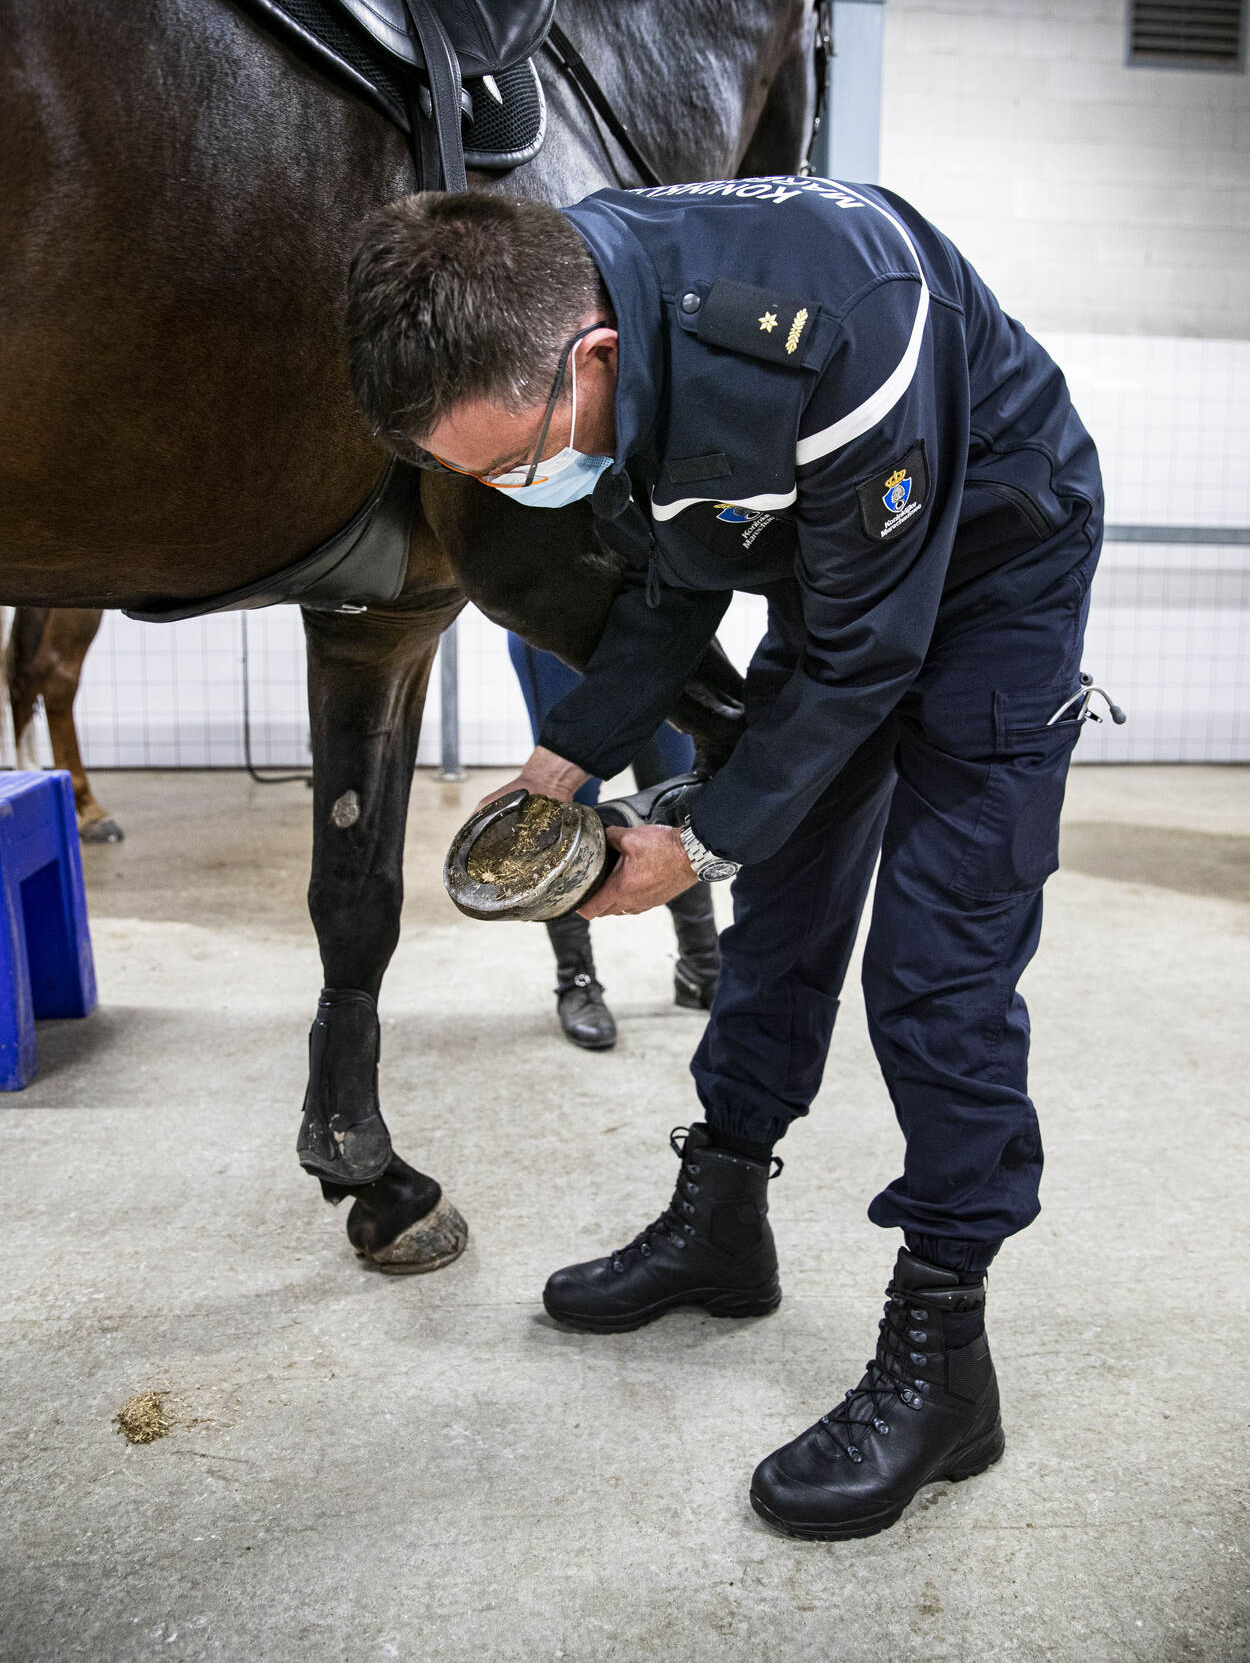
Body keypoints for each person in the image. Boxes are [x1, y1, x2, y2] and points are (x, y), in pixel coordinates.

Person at [346, 177, 1107, 1541]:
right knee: (784, 910)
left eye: (514, 462)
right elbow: (678, 575)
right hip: (837, 567)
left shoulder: (837, 318)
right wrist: (566, 756)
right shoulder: (583, 301)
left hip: (995, 569)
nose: (516, 489)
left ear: (589, 357)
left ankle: (945, 1356)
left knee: (936, 961)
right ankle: (723, 1220)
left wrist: (694, 840)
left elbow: (869, 659)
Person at [506, 633, 719, 1048]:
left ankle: (703, 966)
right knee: (564, 820)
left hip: (661, 628)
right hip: (556, 626)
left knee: (681, 800)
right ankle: (576, 980)